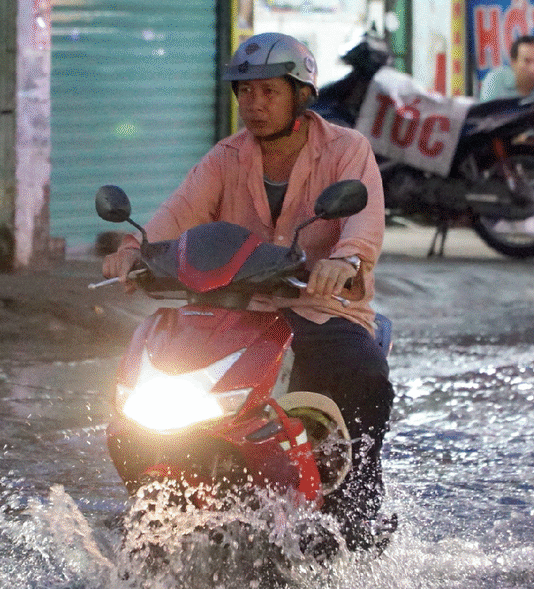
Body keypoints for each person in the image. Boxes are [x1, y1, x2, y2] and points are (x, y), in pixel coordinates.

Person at [102, 32, 394, 549]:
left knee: (362, 370)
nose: (254, 104)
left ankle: (357, 509)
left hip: (318, 306)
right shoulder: (227, 156)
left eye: (269, 91)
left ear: (301, 94)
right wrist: (133, 250)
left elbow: (363, 221)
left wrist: (346, 260)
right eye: (245, 91)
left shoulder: (347, 150)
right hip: (237, 305)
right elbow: (179, 212)